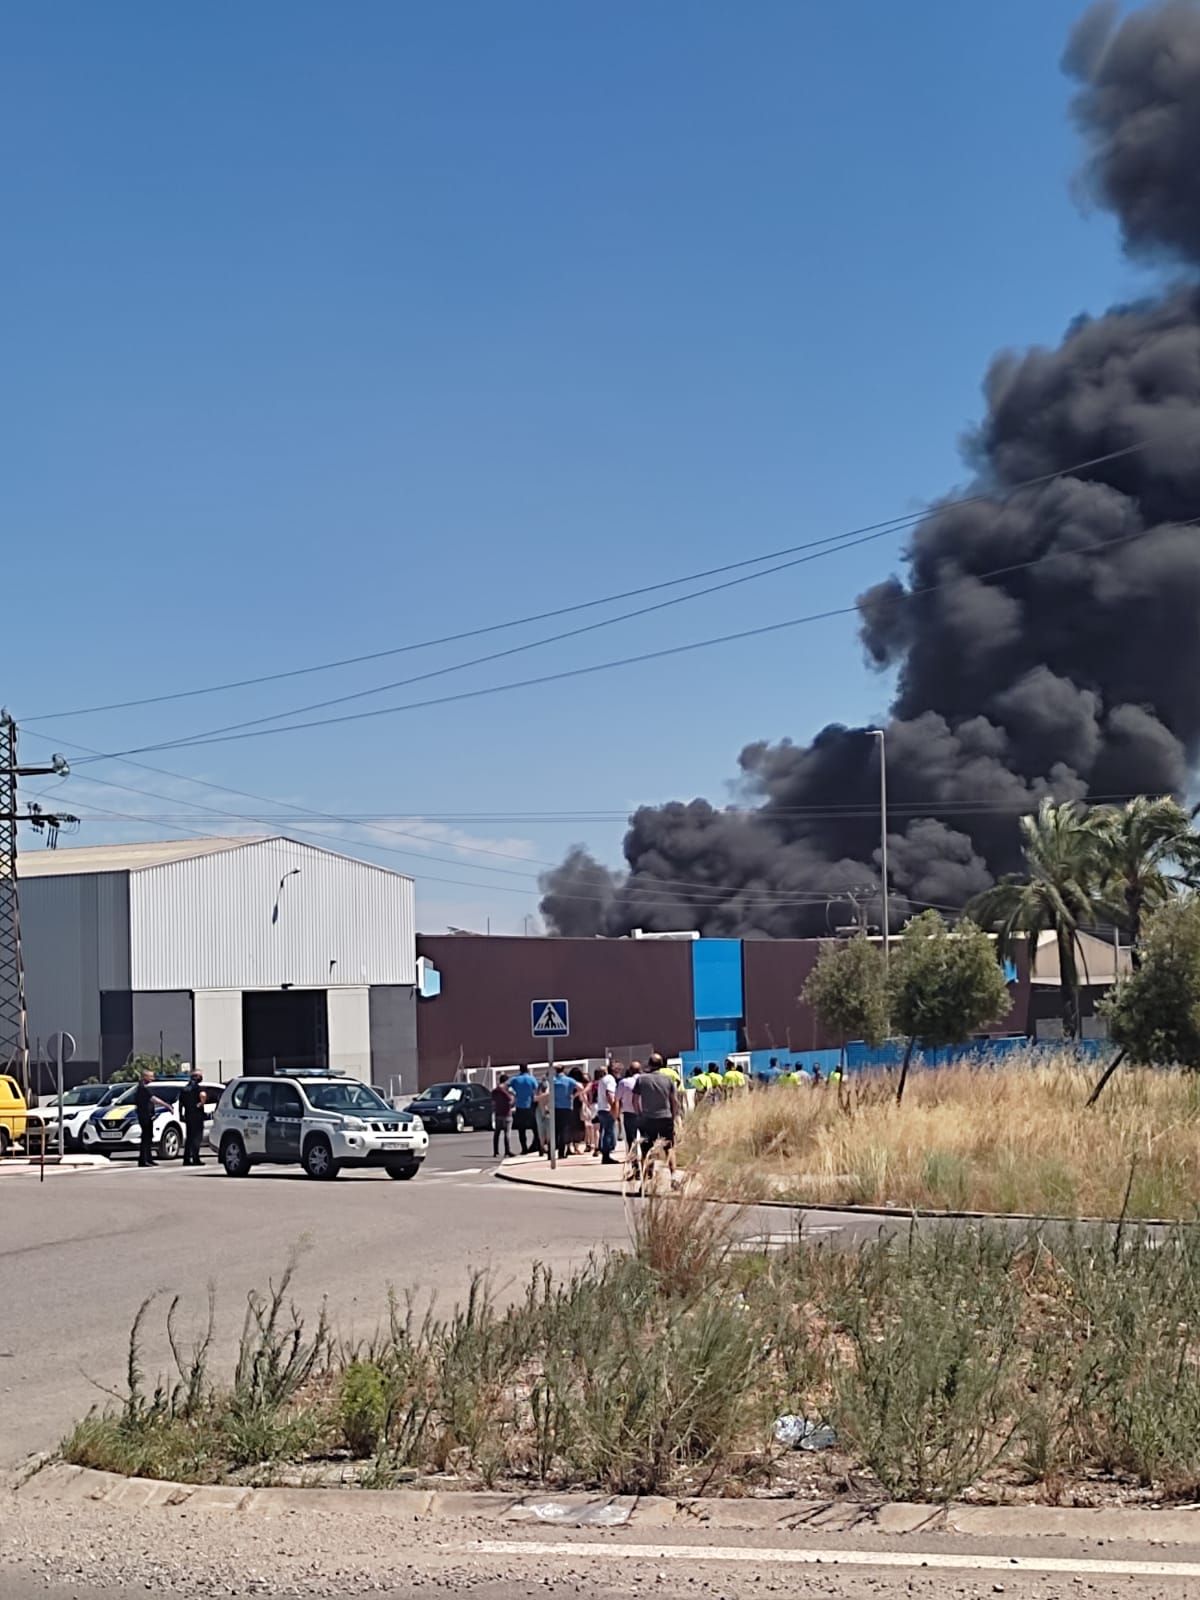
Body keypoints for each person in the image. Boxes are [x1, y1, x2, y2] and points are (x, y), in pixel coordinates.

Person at [635, 1052, 680, 1176]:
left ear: (649, 1064)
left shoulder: (642, 1079)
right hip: (665, 1116)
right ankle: (674, 1175)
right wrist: (674, 1116)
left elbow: (634, 1100)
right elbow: (674, 1101)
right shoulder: (668, 1080)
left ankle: (646, 1177)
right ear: (662, 1065)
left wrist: (639, 1114)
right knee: (669, 1148)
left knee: (647, 1149)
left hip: (648, 1118)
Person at [509, 1066, 541, 1155]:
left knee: (521, 1129)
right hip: (530, 1105)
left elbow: (507, 1088)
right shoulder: (532, 1079)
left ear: (520, 1070)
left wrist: (514, 1094)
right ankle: (538, 1146)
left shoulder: (515, 1080)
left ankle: (524, 1148)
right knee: (535, 1128)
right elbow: (536, 1089)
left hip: (520, 1106)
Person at [592, 1063, 617, 1165]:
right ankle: (606, 1155)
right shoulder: (609, 1079)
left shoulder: (601, 1081)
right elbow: (609, 1094)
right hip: (607, 1109)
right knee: (608, 1132)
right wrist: (614, 1107)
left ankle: (605, 1152)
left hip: (601, 1109)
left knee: (605, 1131)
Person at [180, 1067, 207, 1166]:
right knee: (197, 1138)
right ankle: (196, 1158)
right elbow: (203, 1095)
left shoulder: (185, 1089)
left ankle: (186, 1159)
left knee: (189, 1138)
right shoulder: (197, 1088)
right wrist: (201, 1103)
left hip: (188, 1115)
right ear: (197, 1077)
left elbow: (181, 1103)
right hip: (197, 1115)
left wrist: (181, 1115)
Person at [552, 1066, 576, 1161]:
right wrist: (573, 1096)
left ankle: (554, 1151)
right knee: (564, 1130)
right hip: (567, 1107)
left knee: (556, 1130)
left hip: (555, 1107)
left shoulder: (553, 1080)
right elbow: (581, 1087)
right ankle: (562, 1152)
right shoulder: (569, 1080)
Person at [616, 1062, 640, 1154]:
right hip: (643, 1112)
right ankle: (645, 1159)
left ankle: (633, 1159)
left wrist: (616, 1114)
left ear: (630, 1071)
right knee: (645, 1137)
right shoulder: (645, 1080)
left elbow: (617, 1098)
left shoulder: (624, 1082)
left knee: (630, 1138)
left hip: (628, 1112)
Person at [135, 1070, 157, 1167]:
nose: (153, 1079)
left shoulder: (144, 1087)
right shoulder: (143, 1088)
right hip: (144, 1116)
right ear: (145, 1077)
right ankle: (143, 1160)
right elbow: (154, 1099)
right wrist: (167, 1106)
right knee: (145, 1138)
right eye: (151, 1077)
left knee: (149, 1138)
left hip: (148, 1116)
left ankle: (149, 1158)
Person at [491, 1073, 515, 1159]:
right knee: (507, 1133)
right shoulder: (505, 1090)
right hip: (506, 1114)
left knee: (497, 1133)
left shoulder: (494, 1091)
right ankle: (507, 1151)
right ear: (506, 1081)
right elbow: (510, 1100)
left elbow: (493, 1102)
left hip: (498, 1114)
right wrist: (513, 1096)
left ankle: (495, 1151)